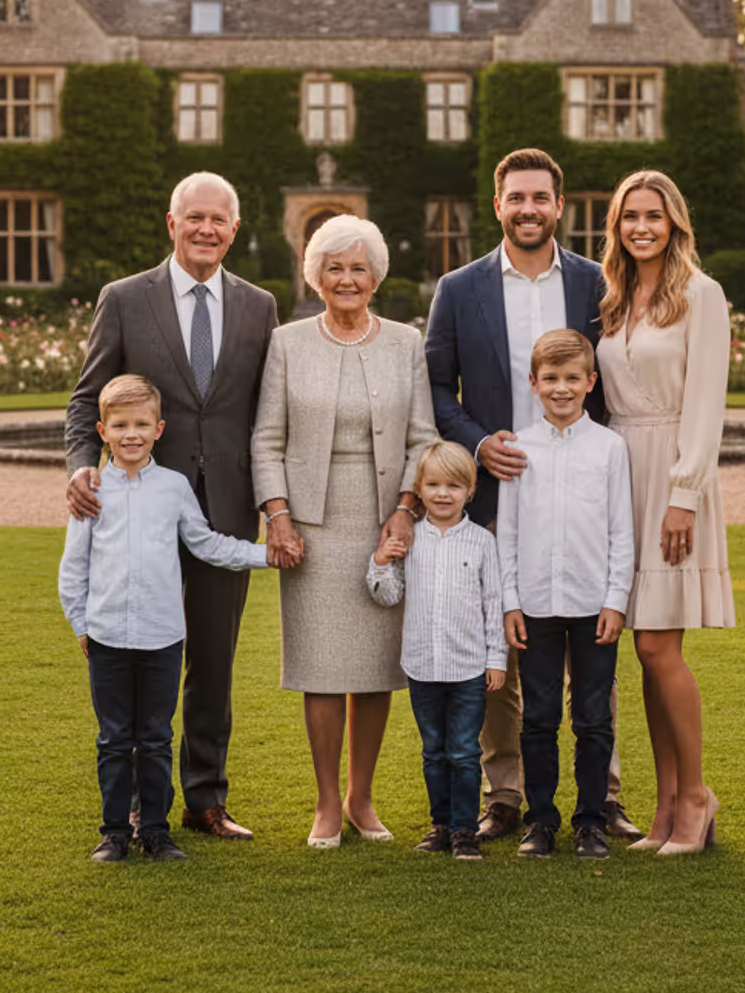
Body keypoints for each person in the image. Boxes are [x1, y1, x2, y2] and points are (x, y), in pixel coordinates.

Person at [423, 147, 641, 844]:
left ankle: (603, 797)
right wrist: (478, 443)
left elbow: (619, 373)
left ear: (559, 205)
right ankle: (507, 795)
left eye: (540, 197)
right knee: (503, 648)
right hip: (497, 489)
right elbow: (436, 388)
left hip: (579, 489)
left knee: (592, 664)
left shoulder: (596, 282)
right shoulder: (459, 288)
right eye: (516, 197)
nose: (528, 209)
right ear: (498, 205)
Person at [64, 172, 280, 842]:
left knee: (213, 662)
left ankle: (206, 798)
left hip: (227, 509)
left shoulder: (260, 306)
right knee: (135, 659)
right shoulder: (125, 299)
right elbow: (86, 398)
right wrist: (81, 466)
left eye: (219, 220)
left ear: (234, 230)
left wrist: (278, 506)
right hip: (139, 510)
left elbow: (269, 413)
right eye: (195, 218)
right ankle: (137, 803)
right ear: (172, 223)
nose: (206, 229)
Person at [252, 214, 438, 848]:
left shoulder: (406, 343)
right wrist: (278, 516)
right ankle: (327, 802)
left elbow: (423, 438)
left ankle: (362, 798)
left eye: (359, 268)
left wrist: (407, 509)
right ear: (317, 276)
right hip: (310, 526)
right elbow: (266, 439)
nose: (347, 279)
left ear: (376, 277)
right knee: (322, 664)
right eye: (334, 268)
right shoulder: (287, 343)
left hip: (384, 520)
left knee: (375, 666)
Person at [58, 376, 282, 863]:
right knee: (115, 741)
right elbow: (73, 568)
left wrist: (266, 554)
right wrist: (82, 626)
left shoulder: (174, 488)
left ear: (159, 429)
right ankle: (115, 833)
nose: (131, 434)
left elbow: (206, 544)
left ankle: (156, 832)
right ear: (102, 431)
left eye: (141, 424)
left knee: (157, 739)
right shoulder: (92, 490)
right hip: (108, 638)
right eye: (120, 425)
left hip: (162, 638)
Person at [593, 169, 734, 856]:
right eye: (630, 217)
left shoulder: (701, 295)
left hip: (672, 476)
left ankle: (697, 796)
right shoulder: (615, 298)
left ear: (674, 222)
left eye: (653, 215)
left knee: (658, 646)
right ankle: (664, 807)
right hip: (621, 475)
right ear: (616, 227)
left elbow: (706, 406)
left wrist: (685, 495)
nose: (641, 227)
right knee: (644, 650)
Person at [498, 328, 635, 860]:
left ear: (590, 382)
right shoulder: (518, 449)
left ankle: (591, 821)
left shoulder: (609, 448)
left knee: (593, 719)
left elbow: (621, 531)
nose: (562, 388)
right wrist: (511, 601)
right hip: (535, 606)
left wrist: (616, 600)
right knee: (538, 718)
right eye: (551, 378)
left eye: (572, 378)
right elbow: (508, 533)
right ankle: (540, 821)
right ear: (533, 382)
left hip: (593, 605)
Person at [366, 440, 506, 862]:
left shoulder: (481, 542)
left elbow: (494, 604)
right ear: (419, 489)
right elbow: (388, 595)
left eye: (454, 486)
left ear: (470, 490)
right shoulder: (410, 539)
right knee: (434, 751)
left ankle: (464, 830)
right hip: (422, 667)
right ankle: (440, 824)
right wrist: (380, 560)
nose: (443, 494)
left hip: (469, 669)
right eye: (433, 485)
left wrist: (496, 659)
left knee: (464, 752)